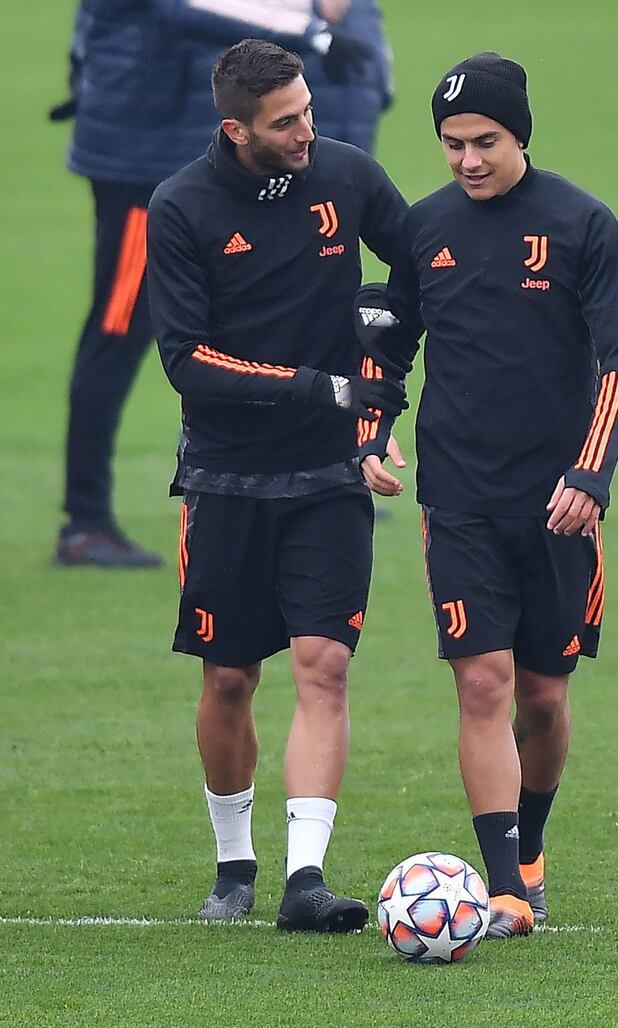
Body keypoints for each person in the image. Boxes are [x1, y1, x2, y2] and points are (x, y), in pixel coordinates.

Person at [355, 52, 618, 938]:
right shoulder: (425, 229)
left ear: (519, 135)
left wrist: (589, 475)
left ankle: (533, 844)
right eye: (451, 144)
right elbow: (388, 339)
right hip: (459, 499)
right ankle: (507, 884)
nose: (468, 160)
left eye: (484, 142)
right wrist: (371, 425)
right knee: (482, 683)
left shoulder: (583, 224)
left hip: (559, 502)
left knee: (543, 700)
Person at [146, 39, 408, 928]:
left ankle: (304, 880)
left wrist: (378, 400)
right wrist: (324, 385)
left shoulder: (349, 176)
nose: (309, 131)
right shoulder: (180, 207)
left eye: (308, 110)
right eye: (286, 121)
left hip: (331, 474)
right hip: (223, 477)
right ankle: (234, 865)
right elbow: (187, 361)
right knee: (228, 679)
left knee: (323, 666)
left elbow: (418, 273)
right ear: (237, 129)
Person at [51, 0, 372, 567]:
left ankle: (321, 476)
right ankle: (86, 518)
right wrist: (314, 33)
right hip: (141, 161)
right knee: (120, 324)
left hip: (185, 156)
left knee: (265, 311)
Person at [305, 0, 394, 154]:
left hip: (361, 106)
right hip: (315, 106)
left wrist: (382, 91)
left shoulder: (364, 5)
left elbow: (377, 49)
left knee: (356, 169)